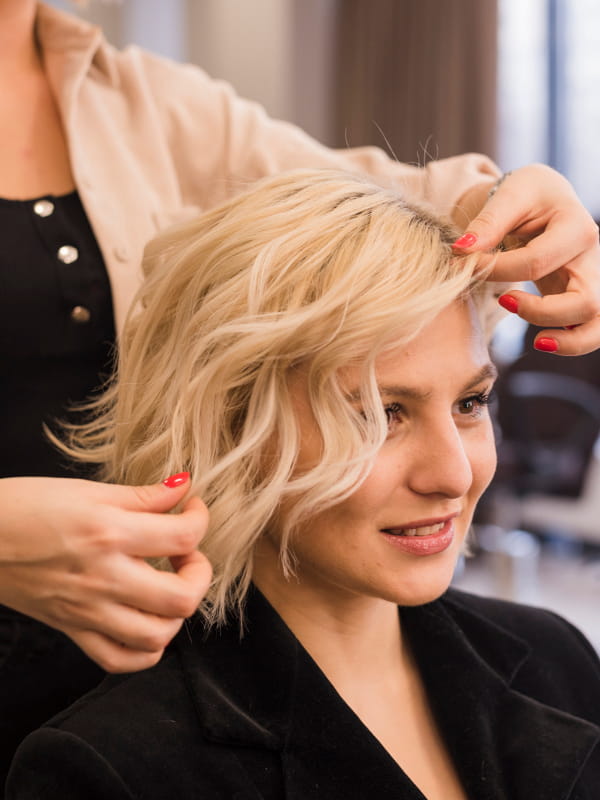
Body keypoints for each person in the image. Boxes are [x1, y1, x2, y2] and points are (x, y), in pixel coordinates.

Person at [2, 0, 600, 785]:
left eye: (470, 402)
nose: (454, 474)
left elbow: (360, 194)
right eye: (380, 413)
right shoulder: (107, 764)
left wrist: (519, 212)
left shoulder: (138, 97)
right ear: (229, 417)